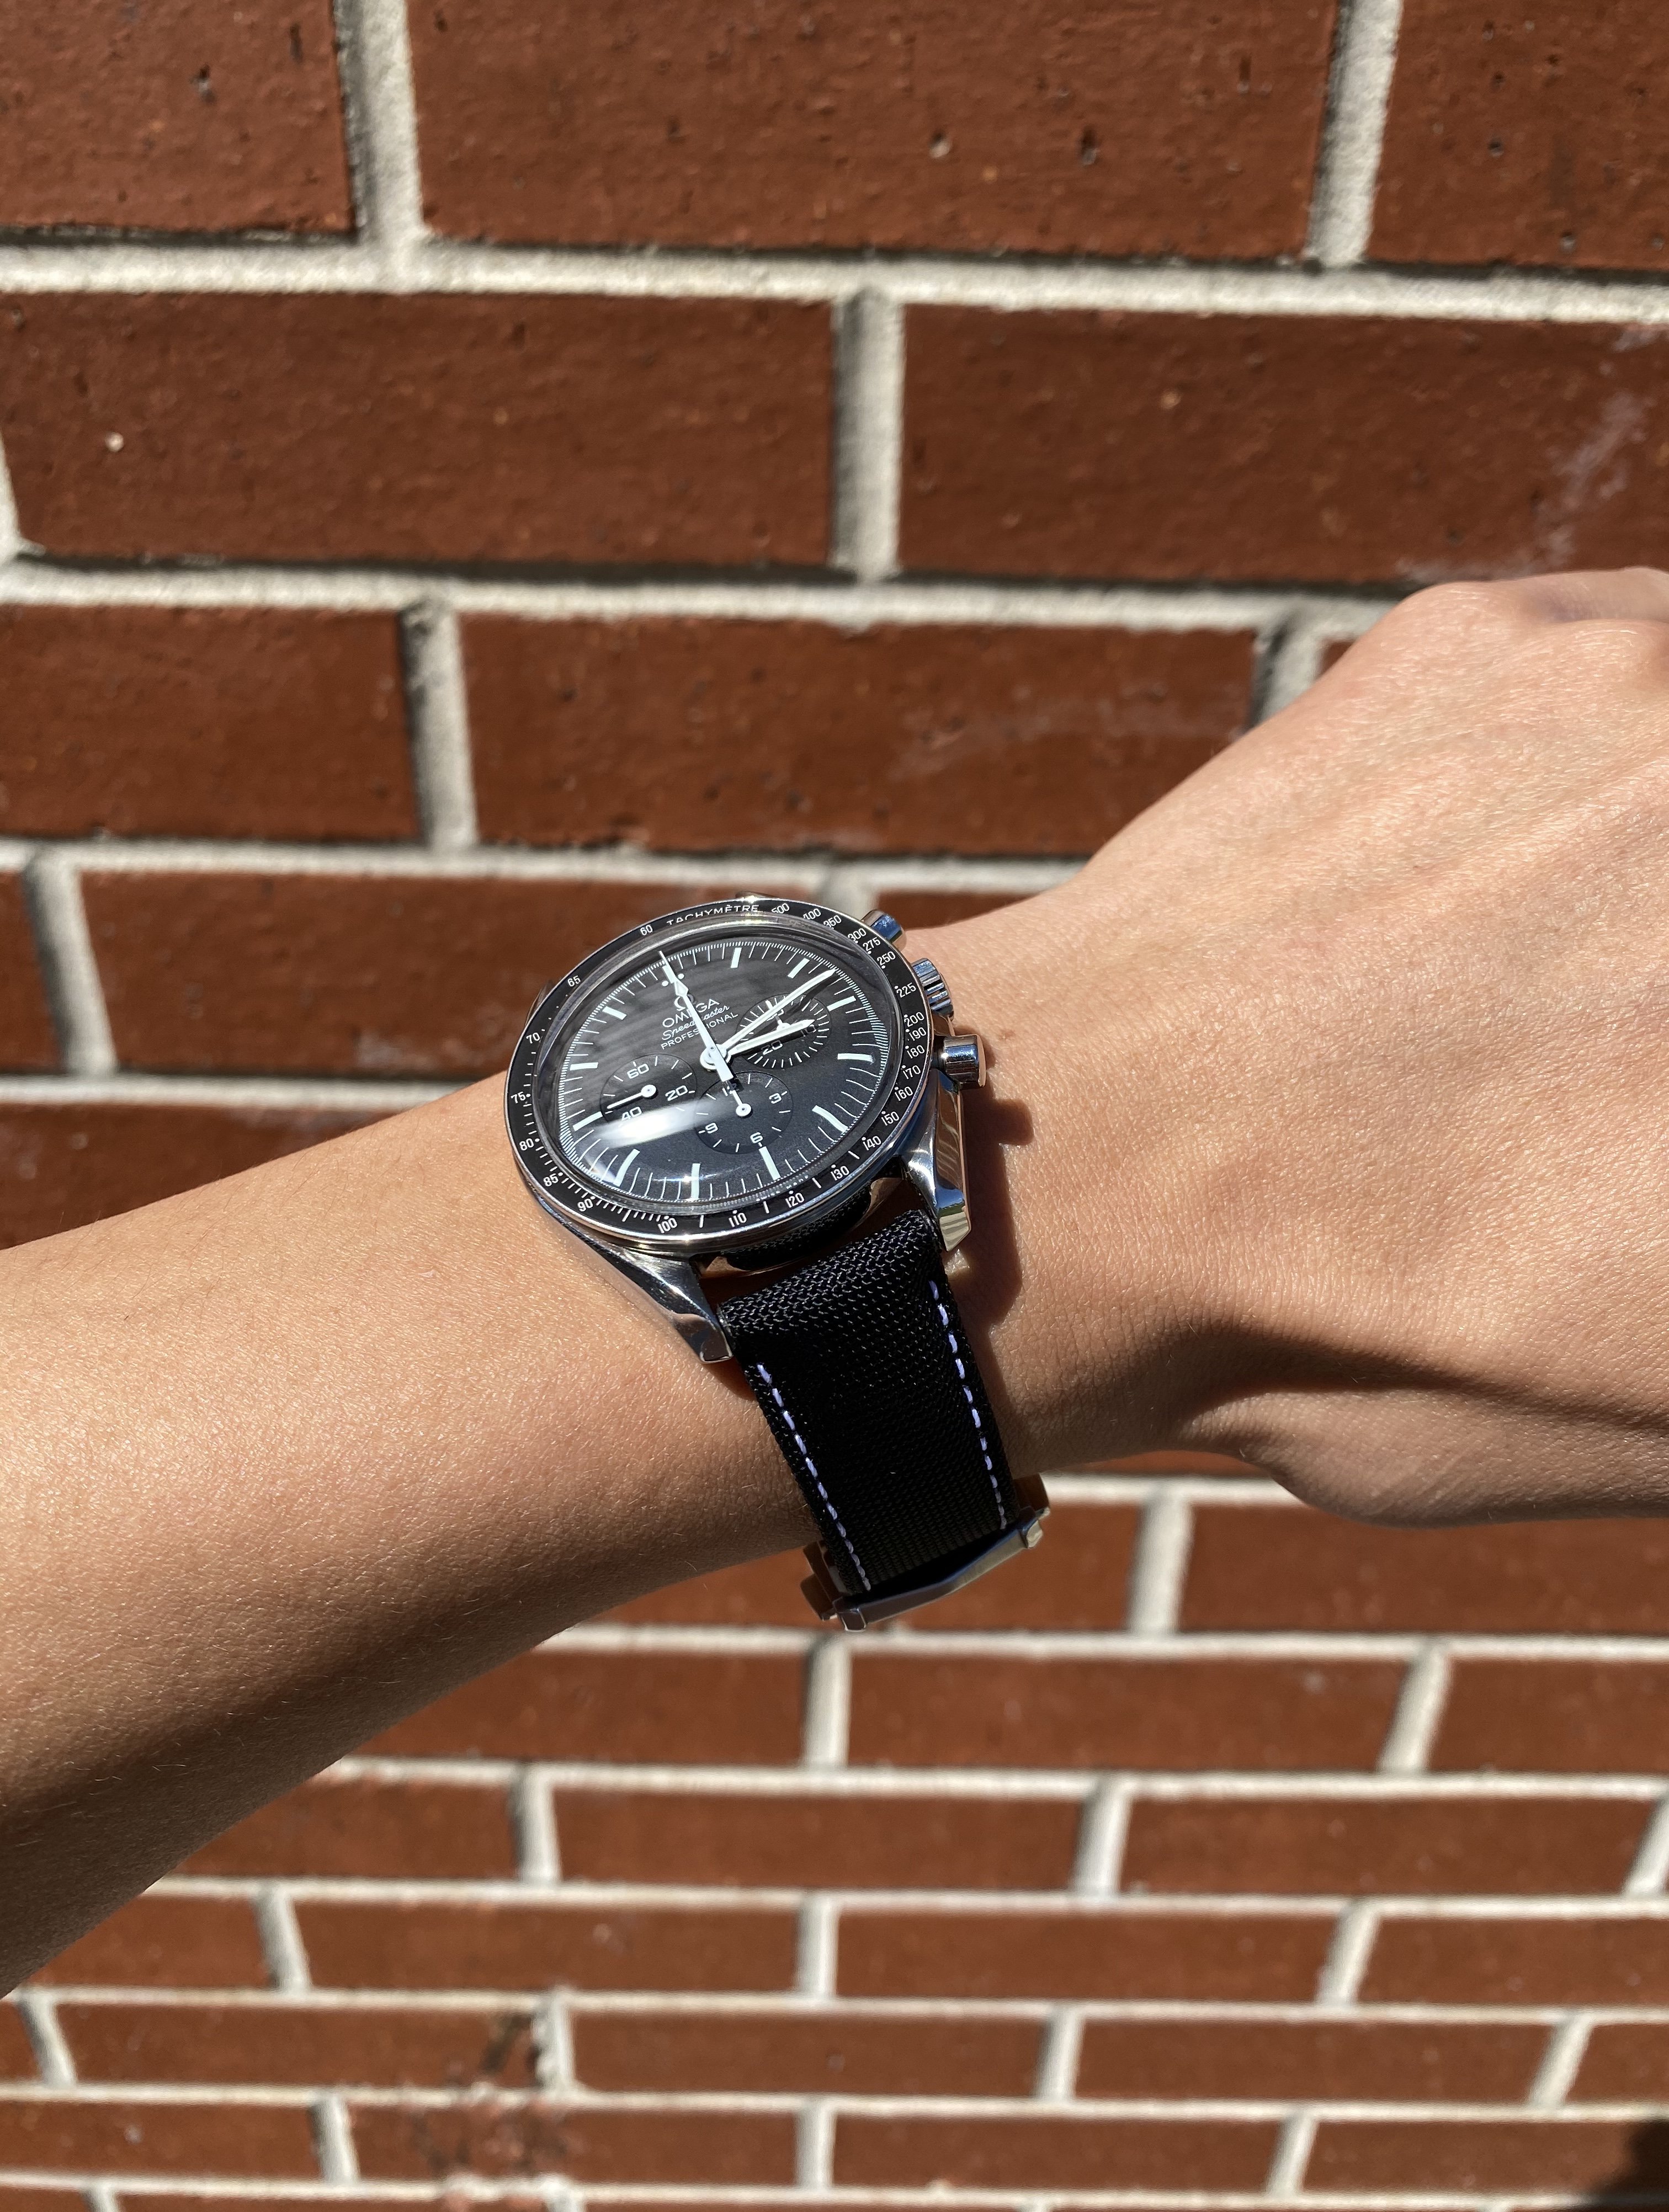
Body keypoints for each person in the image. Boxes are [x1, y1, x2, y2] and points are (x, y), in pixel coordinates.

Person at [7, 567, 1669, 1986]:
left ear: (926, 1049)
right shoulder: (707, 1208)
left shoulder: (907, 1131)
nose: (726, 1052)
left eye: (762, 1028)